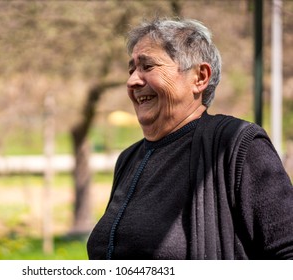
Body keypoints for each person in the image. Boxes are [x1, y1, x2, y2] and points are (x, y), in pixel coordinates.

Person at [86, 18, 293, 260]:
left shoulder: (237, 145)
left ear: (200, 77)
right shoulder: (129, 159)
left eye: (148, 66)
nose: (132, 81)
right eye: (132, 69)